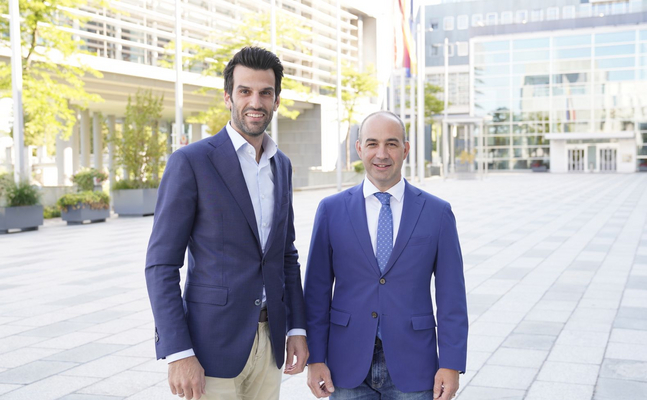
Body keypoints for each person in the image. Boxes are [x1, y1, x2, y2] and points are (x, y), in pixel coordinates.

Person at [145, 47, 308, 400]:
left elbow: (286, 255)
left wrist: (297, 327)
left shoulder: (282, 165)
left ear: (277, 100)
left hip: (270, 344)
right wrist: (179, 352)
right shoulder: (191, 162)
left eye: (265, 92)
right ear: (228, 97)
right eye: (245, 91)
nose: (255, 102)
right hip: (210, 348)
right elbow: (161, 264)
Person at [303, 111, 468, 400]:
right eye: (372, 144)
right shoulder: (331, 210)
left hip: (414, 363)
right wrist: (315, 358)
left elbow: (451, 296)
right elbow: (316, 292)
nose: (381, 154)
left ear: (405, 149)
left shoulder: (437, 212)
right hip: (346, 363)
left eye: (391, 144)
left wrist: (451, 364)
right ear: (359, 148)